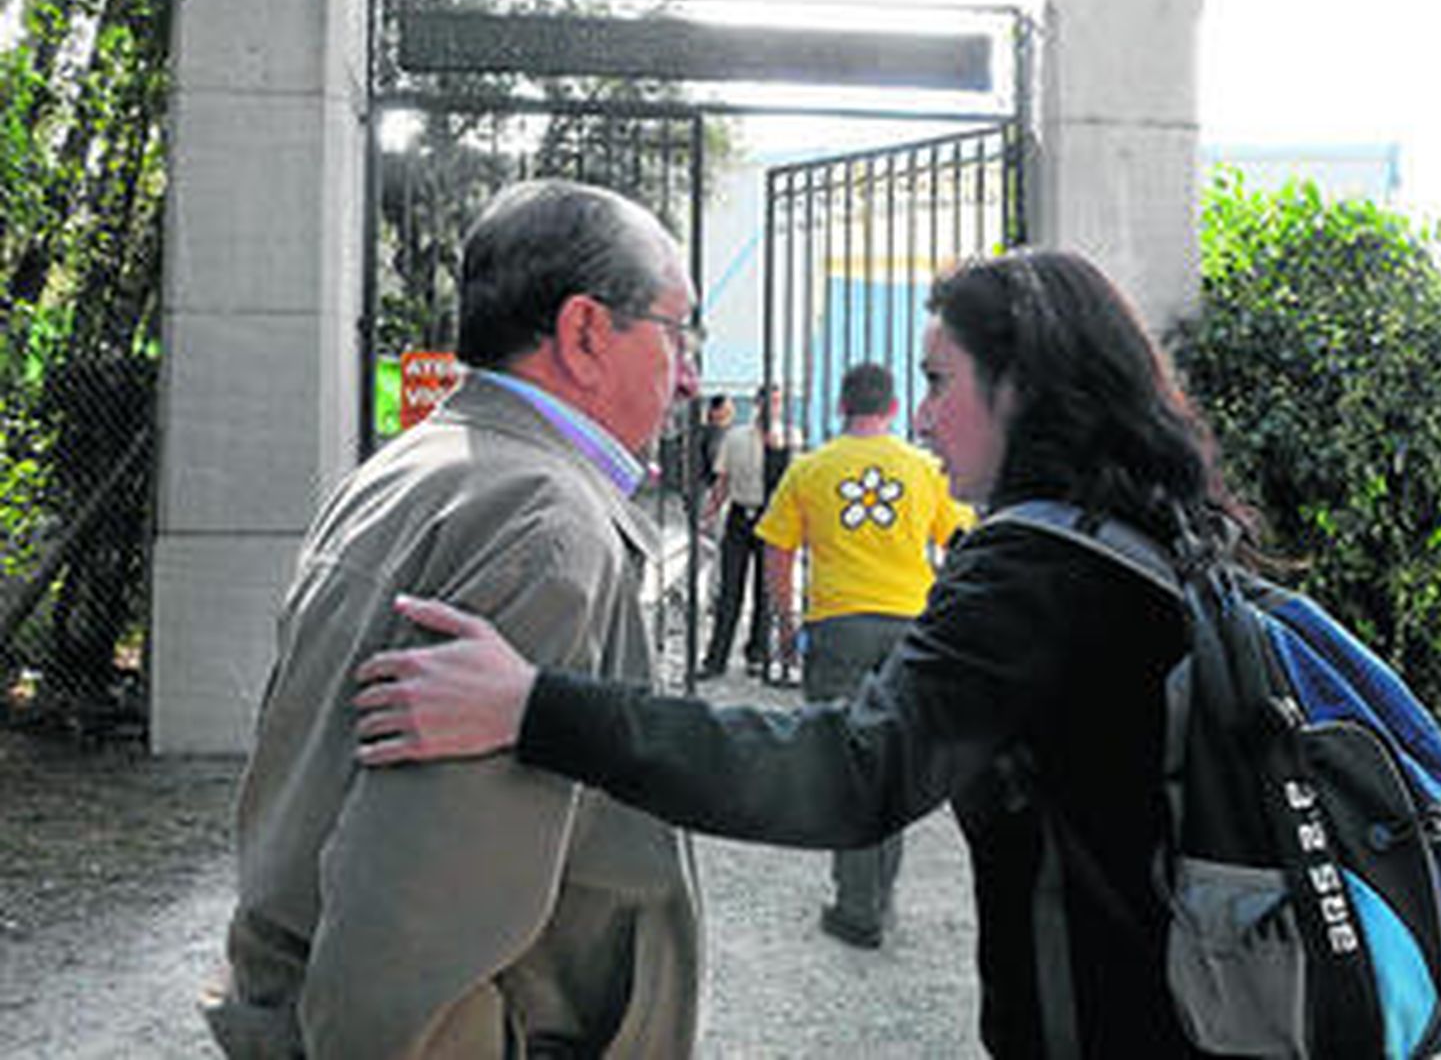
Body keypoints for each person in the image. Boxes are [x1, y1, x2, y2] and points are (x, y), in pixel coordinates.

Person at [352, 248, 1249, 1057]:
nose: (926, 419)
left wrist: (533, 707)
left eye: (940, 382)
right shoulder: (1163, 539)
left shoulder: (1041, 568)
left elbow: (850, 772)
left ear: (1021, 386)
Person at [202, 179, 705, 1059]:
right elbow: (423, 906)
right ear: (588, 333)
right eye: (678, 330)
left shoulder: (408, 467)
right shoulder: (547, 523)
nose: (690, 373)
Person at [759, 361, 974, 948]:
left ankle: (858, 906)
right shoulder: (924, 469)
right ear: (896, 408)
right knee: (894, 759)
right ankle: (879, 893)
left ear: (839, 406)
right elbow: (960, 543)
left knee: (844, 760)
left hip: (837, 627)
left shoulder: (811, 468)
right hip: (911, 626)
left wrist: (785, 622)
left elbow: (776, 552)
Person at [696, 383, 794, 682]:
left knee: (766, 592)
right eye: (768, 402)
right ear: (757, 404)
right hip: (740, 515)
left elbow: (793, 485)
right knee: (730, 590)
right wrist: (709, 512)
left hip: (772, 517)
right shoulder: (735, 437)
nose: (772, 408)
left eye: (778, 402)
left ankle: (758, 655)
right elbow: (722, 480)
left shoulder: (790, 436)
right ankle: (716, 659)